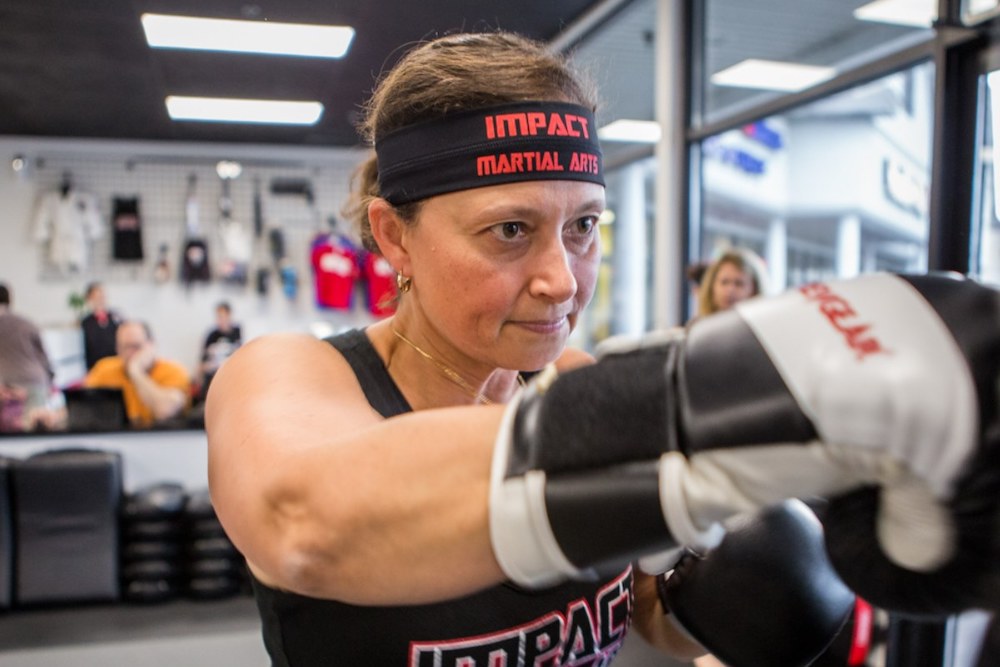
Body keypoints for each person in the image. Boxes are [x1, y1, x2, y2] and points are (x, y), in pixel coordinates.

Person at [206, 31, 1000, 667]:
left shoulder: (575, 386)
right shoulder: (290, 375)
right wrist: (691, 406)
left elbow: (650, 620)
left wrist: (742, 585)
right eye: (509, 231)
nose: (562, 279)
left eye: (584, 227)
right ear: (392, 236)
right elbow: (303, 522)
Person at [85, 320, 190, 427]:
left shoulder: (173, 371)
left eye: (136, 346)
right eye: (124, 347)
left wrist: (136, 371)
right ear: (117, 348)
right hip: (115, 436)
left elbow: (165, 411)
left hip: (158, 438)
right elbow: (82, 408)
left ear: (151, 346)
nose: (130, 353)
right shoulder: (104, 369)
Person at [0, 283, 64, 431]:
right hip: (34, 382)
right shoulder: (26, 323)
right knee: (35, 431)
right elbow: (43, 356)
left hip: (6, 386)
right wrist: (50, 380)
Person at [695, 247, 767, 319]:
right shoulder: (697, 327)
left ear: (755, 290)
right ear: (711, 287)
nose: (730, 290)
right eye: (724, 282)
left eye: (739, 284)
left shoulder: (765, 328)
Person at [198, 301, 241, 400]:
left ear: (229, 315)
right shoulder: (211, 335)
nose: (219, 320)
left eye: (222, 316)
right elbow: (201, 365)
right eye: (218, 317)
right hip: (213, 378)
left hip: (231, 377)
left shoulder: (238, 333)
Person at [79, 281, 122, 370]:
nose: (101, 300)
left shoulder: (116, 317)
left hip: (117, 367)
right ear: (89, 298)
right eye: (97, 297)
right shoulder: (85, 323)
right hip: (96, 370)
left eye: (102, 296)